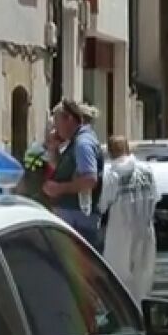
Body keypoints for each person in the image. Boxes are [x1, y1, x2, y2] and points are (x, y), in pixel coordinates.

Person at [98, 136, 160, 300]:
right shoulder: (147, 170)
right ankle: (140, 309)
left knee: (118, 278)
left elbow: (102, 204)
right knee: (143, 277)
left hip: (121, 232)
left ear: (110, 152)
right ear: (127, 148)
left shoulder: (112, 174)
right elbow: (155, 197)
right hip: (146, 230)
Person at [44, 99, 105, 251]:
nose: (55, 129)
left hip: (78, 219)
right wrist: (53, 148)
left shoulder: (83, 143)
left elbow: (90, 179)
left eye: (57, 123)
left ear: (69, 119)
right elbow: (63, 168)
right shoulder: (75, 141)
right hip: (74, 218)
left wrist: (59, 189)